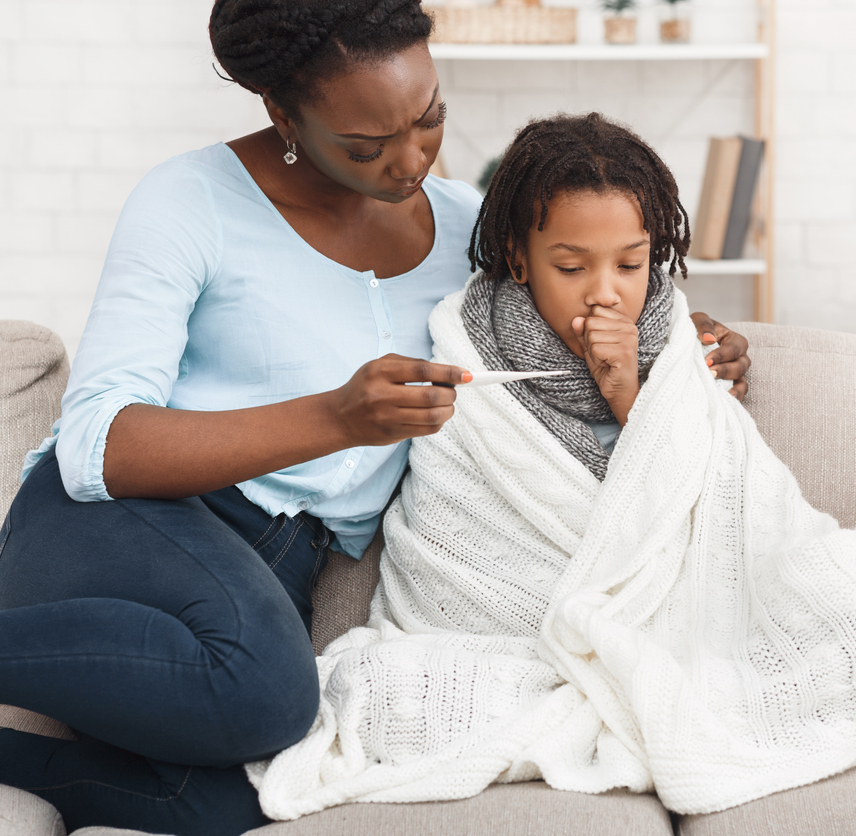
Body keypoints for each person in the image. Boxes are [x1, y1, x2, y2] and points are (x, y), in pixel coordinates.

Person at [0, 3, 751, 835]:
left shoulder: (470, 224)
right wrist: (335, 417)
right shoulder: (189, 201)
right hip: (124, 527)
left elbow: (580, 305)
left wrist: (685, 344)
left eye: (429, 118)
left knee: (260, 796)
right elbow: (97, 445)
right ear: (282, 114)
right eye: (366, 144)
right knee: (269, 694)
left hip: (278, 565)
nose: (410, 160)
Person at [248, 113, 856, 822]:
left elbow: (722, 495)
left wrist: (632, 392)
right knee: (389, 685)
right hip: (519, 631)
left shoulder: (684, 343)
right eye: (572, 266)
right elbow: (458, 522)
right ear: (517, 256)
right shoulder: (464, 350)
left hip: (693, 616)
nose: (607, 290)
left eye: (630, 264)